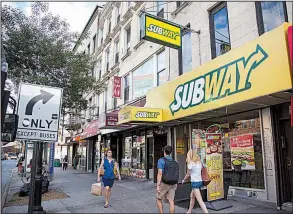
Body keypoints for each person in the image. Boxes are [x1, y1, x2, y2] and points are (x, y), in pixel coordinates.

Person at [182, 149, 208, 214]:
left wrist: (184, 180)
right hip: (200, 181)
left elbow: (188, 174)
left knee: (200, 200)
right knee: (192, 196)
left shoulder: (191, 164)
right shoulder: (199, 163)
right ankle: (189, 211)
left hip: (195, 183)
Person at [156, 145, 179, 214]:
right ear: (170, 152)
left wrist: (158, 185)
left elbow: (160, 173)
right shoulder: (174, 161)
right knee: (171, 200)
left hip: (164, 183)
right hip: (173, 183)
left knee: (158, 198)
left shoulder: (161, 160)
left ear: (164, 152)